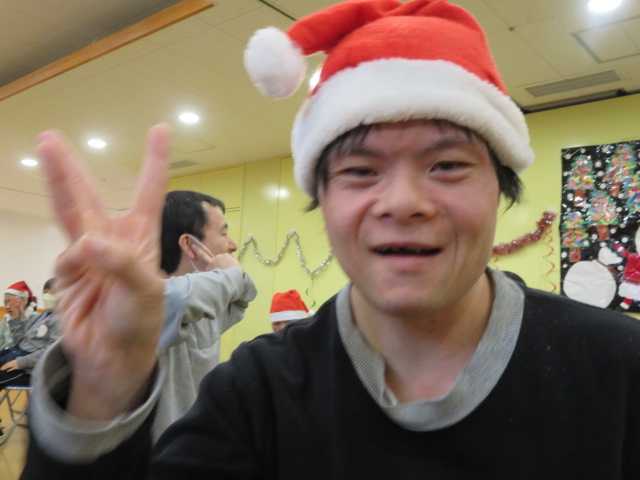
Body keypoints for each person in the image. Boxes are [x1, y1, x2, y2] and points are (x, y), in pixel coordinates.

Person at [21, 0, 640, 478]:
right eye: (360, 171)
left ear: (500, 185)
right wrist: (102, 390)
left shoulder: (617, 367)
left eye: (447, 164)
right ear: (322, 200)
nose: (402, 201)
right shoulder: (257, 392)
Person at [155, 190, 257, 439]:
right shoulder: (145, 304)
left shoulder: (204, 308)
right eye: (223, 233)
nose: (232, 244)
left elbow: (245, 296)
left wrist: (227, 277)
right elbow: (174, 299)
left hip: (193, 448)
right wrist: (227, 275)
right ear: (190, 245)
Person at [0, 278, 59, 388]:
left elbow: (52, 352)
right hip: (15, 353)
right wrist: (17, 318)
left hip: (29, 368)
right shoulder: (43, 316)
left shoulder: (61, 320)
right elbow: (20, 341)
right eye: (45, 293)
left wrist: (20, 362)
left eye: (51, 293)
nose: (47, 296)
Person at [0, 281, 33, 349]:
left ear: (23, 302)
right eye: (5, 302)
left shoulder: (35, 319)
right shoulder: (6, 319)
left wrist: (20, 319)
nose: (7, 307)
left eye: (9, 301)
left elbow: (25, 346)